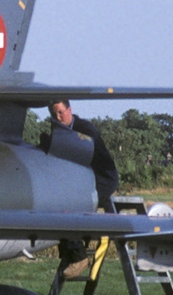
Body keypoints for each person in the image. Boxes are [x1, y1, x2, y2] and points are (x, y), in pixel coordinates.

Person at [40, 100, 119, 270]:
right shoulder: (61, 132)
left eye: (61, 112)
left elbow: (81, 151)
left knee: (67, 205)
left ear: (70, 109)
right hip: (82, 180)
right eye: (54, 115)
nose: (58, 118)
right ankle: (71, 254)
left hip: (102, 178)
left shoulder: (85, 129)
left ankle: (78, 257)